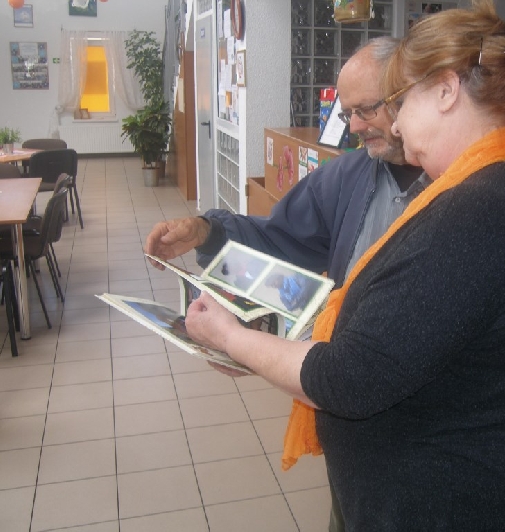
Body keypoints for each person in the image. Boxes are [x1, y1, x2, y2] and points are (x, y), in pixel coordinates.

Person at [183, 1, 505, 530]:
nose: (396, 124)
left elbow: (347, 378)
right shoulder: (504, 187)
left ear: (445, 90)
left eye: (398, 101)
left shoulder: (479, 212)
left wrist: (232, 338)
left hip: (443, 508)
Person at [144, 37, 430, 532]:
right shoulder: (350, 175)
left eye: (366, 110)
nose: (354, 127)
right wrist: (207, 231)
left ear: (415, 94)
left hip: (431, 431)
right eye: (347, 113)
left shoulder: (465, 189)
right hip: (349, 420)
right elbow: (280, 238)